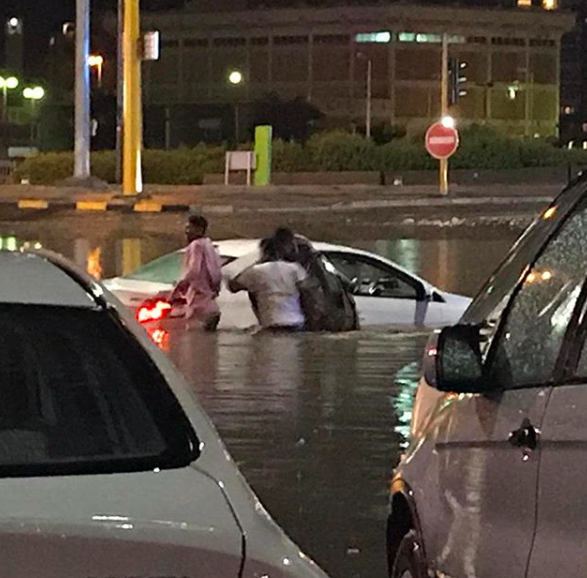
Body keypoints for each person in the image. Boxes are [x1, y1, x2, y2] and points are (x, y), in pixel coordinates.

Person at [229, 237, 308, 332]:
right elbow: (306, 290)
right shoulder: (294, 268)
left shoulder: (256, 271)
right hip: (296, 322)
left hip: (271, 323)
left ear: (263, 252)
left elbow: (233, 286)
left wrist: (256, 262)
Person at [170, 215, 223, 331]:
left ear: (199, 229)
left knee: (191, 333)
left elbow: (194, 269)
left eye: (190, 228)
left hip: (197, 293)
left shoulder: (196, 245)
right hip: (208, 296)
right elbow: (216, 269)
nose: (186, 232)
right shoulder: (208, 244)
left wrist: (182, 284)